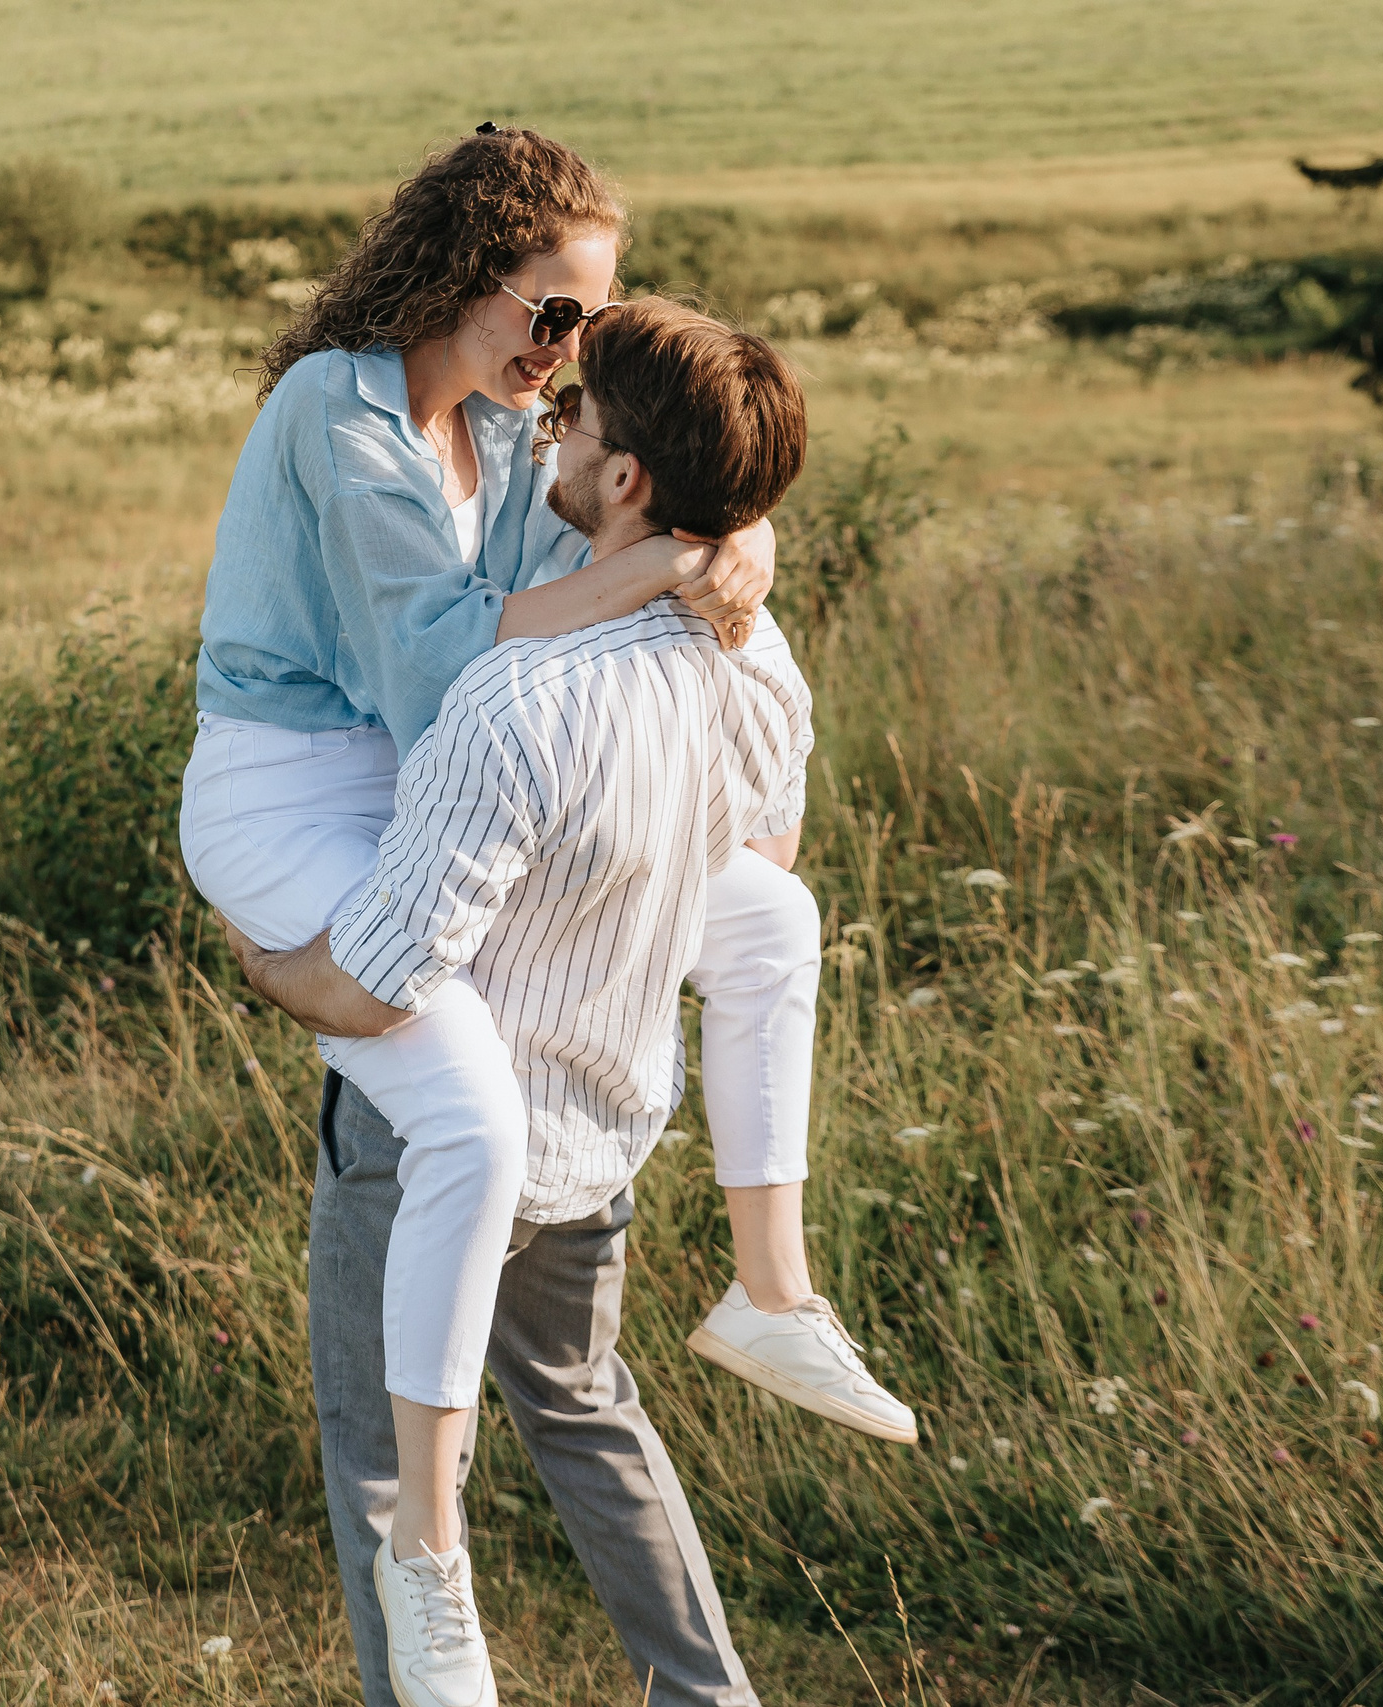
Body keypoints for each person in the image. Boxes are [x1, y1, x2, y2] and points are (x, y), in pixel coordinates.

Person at [230, 298, 911, 1707]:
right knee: (589, 1411)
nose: (552, 418)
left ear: (621, 482)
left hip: (435, 1140)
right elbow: (757, 866)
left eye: (576, 418)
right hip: (604, 1122)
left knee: (379, 1467)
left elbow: (386, 973)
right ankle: (708, 1695)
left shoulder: (512, 703)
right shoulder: (751, 664)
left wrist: (272, 965)